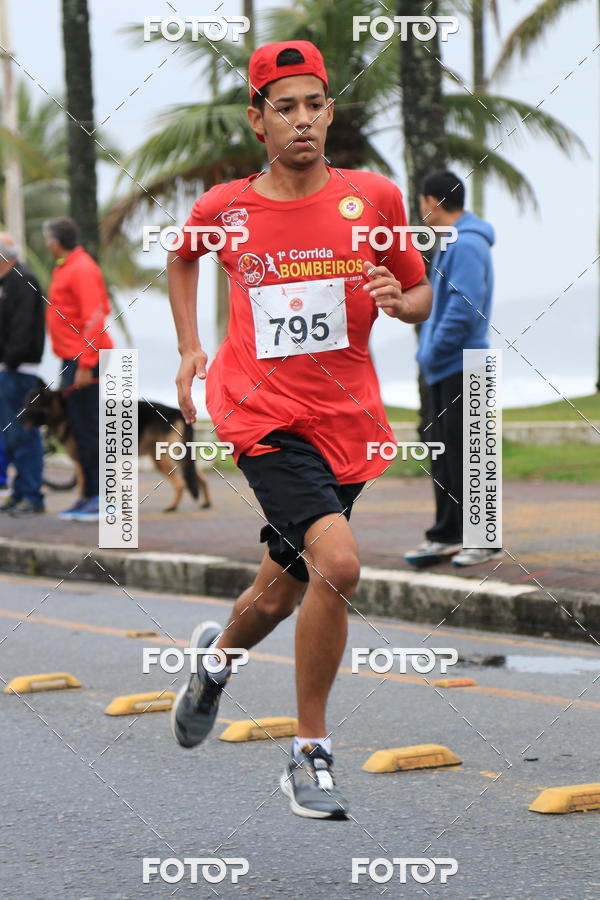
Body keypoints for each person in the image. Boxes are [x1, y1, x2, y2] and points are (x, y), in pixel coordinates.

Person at [167, 40, 432, 819]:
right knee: (339, 565)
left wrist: (396, 296)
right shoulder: (226, 208)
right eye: (285, 106)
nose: (303, 119)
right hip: (260, 413)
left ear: (329, 110)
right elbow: (182, 258)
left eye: (315, 103)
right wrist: (190, 346)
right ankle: (308, 753)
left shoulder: (374, 198)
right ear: (259, 120)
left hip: (346, 424)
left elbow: (418, 295)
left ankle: (213, 665)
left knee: (279, 594)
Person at [405, 170, 502, 568]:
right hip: (447, 365)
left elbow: (463, 309)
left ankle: (483, 539)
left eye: (422, 203)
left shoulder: (467, 243)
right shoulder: (454, 242)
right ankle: (448, 534)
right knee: (445, 452)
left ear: (431, 201)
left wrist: (431, 352)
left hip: (465, 362)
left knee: (470, 452)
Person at [44, 217, 113, 521]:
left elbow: (95, 316)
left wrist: (86, 364)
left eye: (47, 238)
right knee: (80, 428)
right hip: (71, 358)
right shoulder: (66, 266)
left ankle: (100, 498)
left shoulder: (82, 268)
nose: (46, 244)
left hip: (87, 358)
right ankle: (87, 495)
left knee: (90, 429)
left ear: (55, 241)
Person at [0, 233, 45, 516]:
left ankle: (31, 493)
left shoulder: (22, 281)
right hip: (9, 369)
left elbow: (23, 327)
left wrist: (10, 361)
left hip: (19, 370)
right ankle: (20, 492)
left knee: (24, 433)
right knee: (10, 434)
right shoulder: (6, 283)